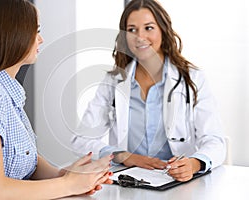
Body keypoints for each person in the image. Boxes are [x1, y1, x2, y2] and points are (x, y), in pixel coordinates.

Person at [0, 0, 113, 199]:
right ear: (12, 34)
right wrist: (67, 185)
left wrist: (65, 176)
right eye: (36, 31)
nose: (41, 39)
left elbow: (25, 159)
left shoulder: (6, 92)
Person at [71, 0, 226, 182]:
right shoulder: (114, 82)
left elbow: (215, 140)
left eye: (149, 28)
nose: (140, 37)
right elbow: (80, 140)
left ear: (162, 29)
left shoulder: (192, 78)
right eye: (132, 30)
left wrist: (194, 163)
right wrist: (123, 156)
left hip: (177, 183)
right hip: (129, 181)